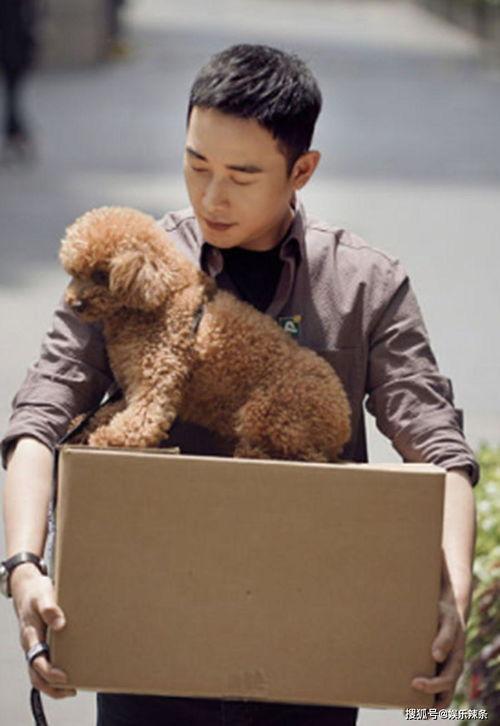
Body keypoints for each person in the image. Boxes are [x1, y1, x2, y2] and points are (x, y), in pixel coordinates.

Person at [1, 44, 478, 726]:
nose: (211, 197)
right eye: (196, 165)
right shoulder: (125, 261)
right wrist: (23, 565)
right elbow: (39, 415)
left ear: (302, 170)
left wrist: (452, 594)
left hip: (310, 658)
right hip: (147, 647)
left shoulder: (364, 285)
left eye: (242, 176)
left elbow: (437, 446)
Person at [0, 0, 40, 162]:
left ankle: (16, 134)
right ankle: (16, 134)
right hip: (15, 53)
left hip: (13, 54)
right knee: (12, 99)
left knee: (12, 98)